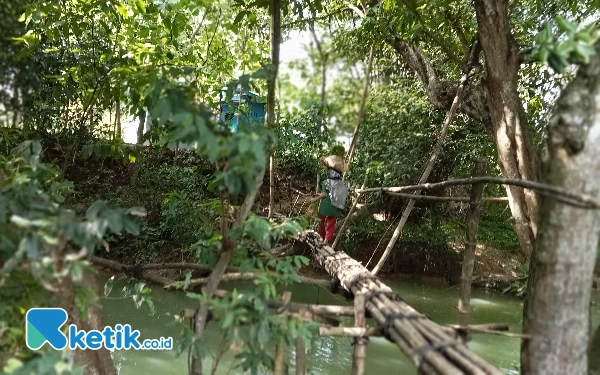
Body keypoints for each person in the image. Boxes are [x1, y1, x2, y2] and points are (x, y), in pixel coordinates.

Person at [311, 150, 348, 245]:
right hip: (335, 206)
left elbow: (324, 194)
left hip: (325, 205)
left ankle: (321, 237)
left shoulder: (326, 182)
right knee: (331, 223)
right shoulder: (341, 184)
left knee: (322, 222)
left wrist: (315, 199)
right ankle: (326, 240)